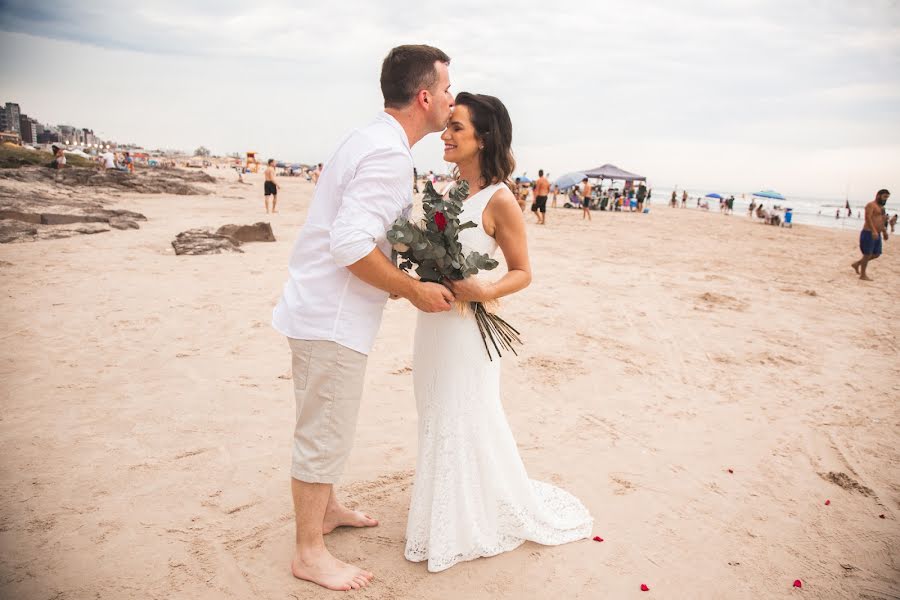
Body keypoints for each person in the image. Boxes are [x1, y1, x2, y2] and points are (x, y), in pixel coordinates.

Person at [271, 44, 455, 592]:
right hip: (332, 316)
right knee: (324, 429)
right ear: (424, 96)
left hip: (315, 308)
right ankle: (309, 551)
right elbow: (349, 242)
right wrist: (412, 289)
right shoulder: (389, 155)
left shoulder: (368, 137)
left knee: (322, 418)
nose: (450, 99)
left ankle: (325, 511)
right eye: (446, 89)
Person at [406, 91, 593, 573]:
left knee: (463, 411)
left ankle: (467, 518)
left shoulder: (502, 199)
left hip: (467, 332)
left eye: (456, 128)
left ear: (483, 139)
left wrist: (479, 290)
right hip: (433, 324)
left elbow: (523, 271)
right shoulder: (445, 193)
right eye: (447, 126)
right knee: (432, 407)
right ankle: (444, 507)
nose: (444, 135)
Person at [851, 189, 890, 281]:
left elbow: (882, 221)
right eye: (884, 197)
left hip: (878, 233)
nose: (885, 199)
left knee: (876, 254)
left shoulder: (882, 208)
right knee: (867, 254)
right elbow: (867, 218)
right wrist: (873, 231)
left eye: (887, 198)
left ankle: (857, 264)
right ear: (878, 195)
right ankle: (863, 275)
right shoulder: (871, 205)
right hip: (869, 232)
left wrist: (884, 232)